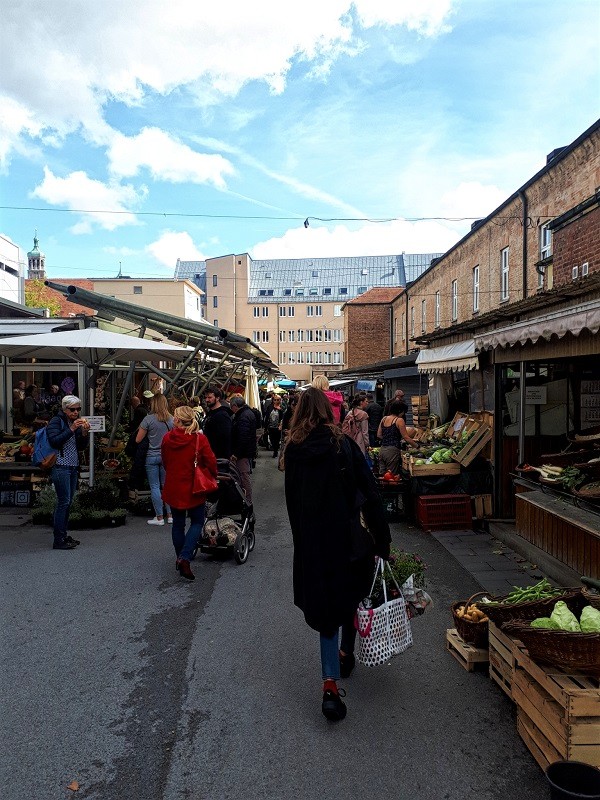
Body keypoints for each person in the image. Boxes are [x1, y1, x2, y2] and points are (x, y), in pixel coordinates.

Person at [284, 387, 391, 721]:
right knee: (349, 592)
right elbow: (370, 493)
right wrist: (382, 539)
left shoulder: (294, 451)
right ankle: (347, 651)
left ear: (300, 411)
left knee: (327, 607)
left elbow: (292, 504)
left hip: (314, 543)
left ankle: (330, 682)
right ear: (328, 412)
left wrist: (301, 542)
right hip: (347, 537)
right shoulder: (342, 445)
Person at [161, 405, 217, 581]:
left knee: (177, 524)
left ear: (177, 420)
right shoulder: (199, 439)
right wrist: (212, 476)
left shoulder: (168, 438)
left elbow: (165, 460)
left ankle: (181, 557)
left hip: (174, 485)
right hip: (194, 487)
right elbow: (211, 462)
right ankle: (185, 557)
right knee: (197, 521)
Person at [46, 395, 90, 550]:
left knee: (68, 502)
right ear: (65, 409)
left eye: (78, 409)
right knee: (63, 502)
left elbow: (80, 446)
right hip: (60, 465)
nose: (76, 412)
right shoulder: (56, 421)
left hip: (72, 466)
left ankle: (63, 535)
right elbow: (54, 441)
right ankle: (58, 539)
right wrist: (71, 429)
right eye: (73, 409)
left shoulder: (74, 422)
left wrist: (84, 433)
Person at [136, 393, 174, 525]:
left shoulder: (148, 419)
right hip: (166, 456)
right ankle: (170, 515)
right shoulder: (172, 419)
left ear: (153, 404)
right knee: (167, 486)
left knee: (155, 486)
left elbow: (138, 439)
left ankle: (159, 517)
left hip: (151, 456)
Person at [229, 395, 257, 510]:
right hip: (247, 451)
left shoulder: (243, 416)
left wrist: (236, 453)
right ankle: (246, 500)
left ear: (235, 406)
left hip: (243, 453)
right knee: (243, 475)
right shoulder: (248, 413)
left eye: (232, 407)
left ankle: (247, 501)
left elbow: (242, 437)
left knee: (243, 476)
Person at [376, 400, 417, 476]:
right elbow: (406, 437)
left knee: (382, 476)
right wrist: (417, 446)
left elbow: (379, 435)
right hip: (392, 451)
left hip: (382, 450)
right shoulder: (399, 420)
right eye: (403, 411)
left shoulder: (384, 418)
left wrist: (388, 437)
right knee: (391, 476)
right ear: (400, 410)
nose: (403, 414)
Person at [202, 386, 232, 459]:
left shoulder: (222, 415)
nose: (207, 400)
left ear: (217, 398)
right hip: (209, 453)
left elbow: (225, 438)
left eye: (209, 397)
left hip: (218, 456)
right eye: (206, 397)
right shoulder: (211, 413)